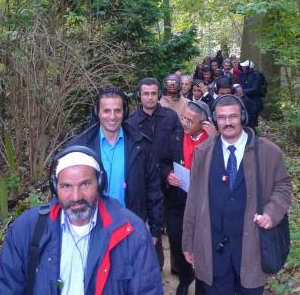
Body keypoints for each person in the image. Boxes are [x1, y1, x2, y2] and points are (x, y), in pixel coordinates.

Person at [0, 146, 163, 294]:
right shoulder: (26, 229)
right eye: (66, 186)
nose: (76, 196)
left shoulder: (131, 232)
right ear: (55, 187)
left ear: (100, 183)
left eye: (85, 184)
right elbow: (7, 287)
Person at [182, 95, 291, 295]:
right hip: (214, 251)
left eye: (233, 116)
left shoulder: (268, 152)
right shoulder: (203, 152)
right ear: (215, 119)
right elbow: (194, 199)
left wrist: (271, 213)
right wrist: (188, 241)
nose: (228, 122)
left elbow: (283, 185)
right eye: (222, 118)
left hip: (251, 250)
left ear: (243, 116)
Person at [66, 87, 163, 243]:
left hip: (130, 228)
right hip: (91, 230)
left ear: (124, 112)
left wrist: (155, 230)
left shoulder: (141, 145)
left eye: (117, 111)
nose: (112, 116)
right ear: (97, 112)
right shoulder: (80, 146)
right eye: (106, 111)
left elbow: (153, 189)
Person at [127, 77, 183, 270]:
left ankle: (179, 265)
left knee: (175, 228)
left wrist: (171, 173)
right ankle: (155, 267)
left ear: (158, 94)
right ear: (139, 96)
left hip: (170, 180)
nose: (150, 97)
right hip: (144, 183)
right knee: (152, 226)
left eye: (153, 93)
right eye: (146, 94)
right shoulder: (131, 122)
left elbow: (179, 150)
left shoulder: (171, 117)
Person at [161, 101, 214, 295]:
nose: (184, 123)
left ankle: (202, 284)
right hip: (178, 201)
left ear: (204, 123)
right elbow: (163, 162)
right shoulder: (174, 138)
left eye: (190, 121)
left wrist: (215, 138)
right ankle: (185, 277)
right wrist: (167, 175)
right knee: (177, 241)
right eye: (183, 118)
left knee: (201, 246)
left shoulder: (215, 140)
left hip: (205, 205)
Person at [240, 60, 265, 129]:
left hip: (255, 103)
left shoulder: (256, 76)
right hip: (247, 102)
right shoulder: (244, 76)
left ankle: (254, 135)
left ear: (248, 68)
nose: (242, 68)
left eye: (244, 67)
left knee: (253, 123)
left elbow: (255, 89)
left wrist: (243, 91)